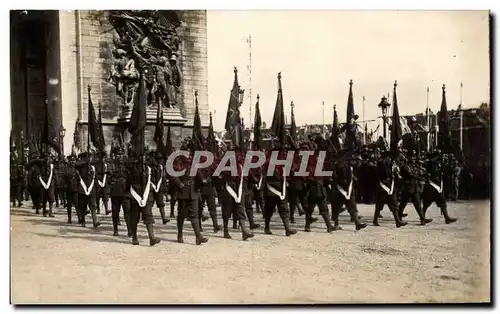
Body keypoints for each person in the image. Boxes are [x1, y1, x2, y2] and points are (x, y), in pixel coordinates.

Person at [422, 152, 457, 224]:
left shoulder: (438, 164)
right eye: (437, 157)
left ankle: (447, 218)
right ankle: (422, 218)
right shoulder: (430, 164)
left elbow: (445, 171)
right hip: (431, 186)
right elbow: (430, 168)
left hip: (437, 186)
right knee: (426, 203)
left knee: (443, 202)